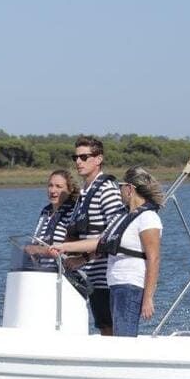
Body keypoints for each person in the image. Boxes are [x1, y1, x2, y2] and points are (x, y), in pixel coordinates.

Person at [51, 165, 163, 337]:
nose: (118, 190)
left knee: (124, 335)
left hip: (130, 283)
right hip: (115, 283)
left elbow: (153, 259)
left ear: (130, 189)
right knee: (116, 332)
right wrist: (65, 247)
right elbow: (101, 243)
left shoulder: (148, 218)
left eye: (121, 186)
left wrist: (148, 298)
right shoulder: (123, 216)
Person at [63, 136, 126, 335]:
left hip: (107, 276)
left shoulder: (106, 190)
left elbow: (116, 234)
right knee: (103, 327)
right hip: (90, 277)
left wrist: (84, 258)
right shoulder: (84, 194)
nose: (78, 162)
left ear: (98, 159)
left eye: (84, 157)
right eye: (75, 157)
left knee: (110, 329)